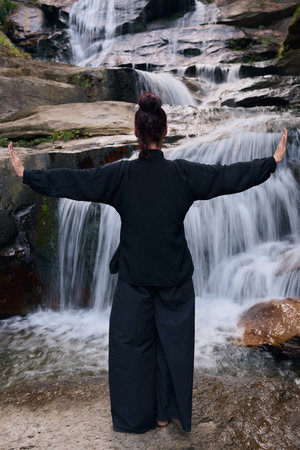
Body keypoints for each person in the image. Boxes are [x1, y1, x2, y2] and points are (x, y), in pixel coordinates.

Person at [9, 92, 287, 434]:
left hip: (135, 275)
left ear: (136, 134)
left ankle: (135, 417)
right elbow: (225, 177)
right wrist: (270, 163)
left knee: (131, 345)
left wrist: (29, 176)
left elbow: (79, 182)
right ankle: (165, 414)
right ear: (164, 131)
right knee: (173, 344)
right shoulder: (183, 174)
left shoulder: (121, 175)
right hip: (173, 276)